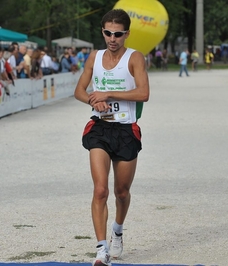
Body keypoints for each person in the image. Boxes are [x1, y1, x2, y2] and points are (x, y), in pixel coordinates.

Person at [73, 9, 149, 266]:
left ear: (126, 34)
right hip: (100, 129)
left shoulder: (134, 58)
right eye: (108, 33)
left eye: (117, 34)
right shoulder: (94, 57)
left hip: (126, 130)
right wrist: (94, 100)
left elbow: (143, 93)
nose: (112, 38)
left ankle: (118, 229)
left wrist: (109, 95)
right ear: (102, 31)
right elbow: (79, 91)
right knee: (101, 190)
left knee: (122, 192)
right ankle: (101, 249)